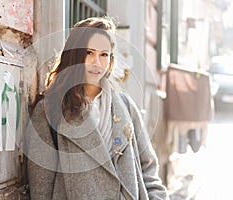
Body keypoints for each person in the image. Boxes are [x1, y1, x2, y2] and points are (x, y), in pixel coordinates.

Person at [27, 16, 169, 200]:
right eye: (89, 53)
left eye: (104, 55)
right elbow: (41, 188)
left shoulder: (124, 105)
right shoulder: (49, 110)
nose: (97, 63)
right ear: (75, 54)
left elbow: (148, 167)